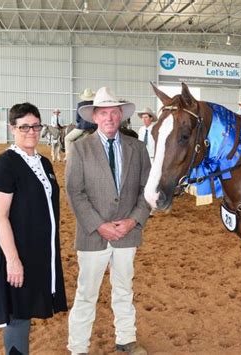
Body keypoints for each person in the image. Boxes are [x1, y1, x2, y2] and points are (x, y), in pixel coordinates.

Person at [66, 87, 151, 355]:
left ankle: (126, 339)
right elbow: (74, 192)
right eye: (103, 113)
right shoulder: (80, 149)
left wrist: (133, 221)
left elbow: (146, 190)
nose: (109, 117)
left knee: (124, 288)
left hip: (127, 233)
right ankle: (78, 347)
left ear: (121, 116)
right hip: (93, 234)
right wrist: (99, 225)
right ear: (94, 116)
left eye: (114, 112)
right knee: (86, 293)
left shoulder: (137, 148)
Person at [0, 102, 67, 354]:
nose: (31, 131)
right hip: (16, 251)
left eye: (35, 126)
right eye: (24, 127)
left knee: (27, 306)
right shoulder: (5, 164)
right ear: (13, 128)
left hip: (39, 252)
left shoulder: (45, 163)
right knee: (18, 312)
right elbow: (0, 217)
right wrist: (12, 259)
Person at [64, 88, 97, 159]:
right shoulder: (96, 104)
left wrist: (81, 123)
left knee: (67, 139)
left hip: (83, 127)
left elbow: (77, 119)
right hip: (96, 128)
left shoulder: (80, 104)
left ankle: (68, 156)